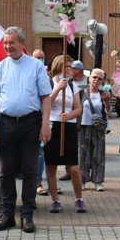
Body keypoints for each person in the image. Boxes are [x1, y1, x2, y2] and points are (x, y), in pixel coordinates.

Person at [0, 26, 52, 234]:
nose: (7, 46)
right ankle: (6, 214)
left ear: (22, 43)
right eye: (5, 43)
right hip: (6, 125)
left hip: (31, 124)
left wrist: (45, 124)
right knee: (5, 172)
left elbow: (45, 98)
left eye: (11, 42)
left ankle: (27, 215)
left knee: (30, 172)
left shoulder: (36, 66)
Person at [44, 55, 87, 213]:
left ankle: (79, 198)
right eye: (66, 67)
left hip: (67, 126)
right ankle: (55, 200)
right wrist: (57, 89)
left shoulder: (72, 86)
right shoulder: (49, 83)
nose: (69, 70)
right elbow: (45, 103)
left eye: (70, 67)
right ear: (58, 67)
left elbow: (78, 108)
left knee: (74, 168)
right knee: (51, 167)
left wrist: (69, 116)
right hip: (51, 125)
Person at [79, 68, 110, 192]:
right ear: (89, 78)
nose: (96, 80)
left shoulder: (103, 94)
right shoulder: (81, 93)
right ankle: (82, 180)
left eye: (99, 78)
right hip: (83, 126)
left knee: (98, 154)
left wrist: (107, 102)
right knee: (83, 154)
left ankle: (98, 181)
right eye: (94, 77)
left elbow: (107, 112)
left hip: (98, 128)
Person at [59, 59, 89, 181]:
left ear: (78, 70)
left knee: (84, 148)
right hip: (72, 119)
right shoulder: (69, 82)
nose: (69, 71)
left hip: (86, 119)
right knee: (69, 147)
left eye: (71, 68)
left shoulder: (88, 81)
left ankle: (82, 172)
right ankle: (69, 170)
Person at [32, 48, 49, 195]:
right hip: (32, 119)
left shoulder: (47, 76)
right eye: (37, 57)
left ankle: (44, 181)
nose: (40, 59)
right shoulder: (30, 74)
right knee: (37, 153)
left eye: (42, 57)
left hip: (44, 120)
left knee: (43, 152)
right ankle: (36, 182)